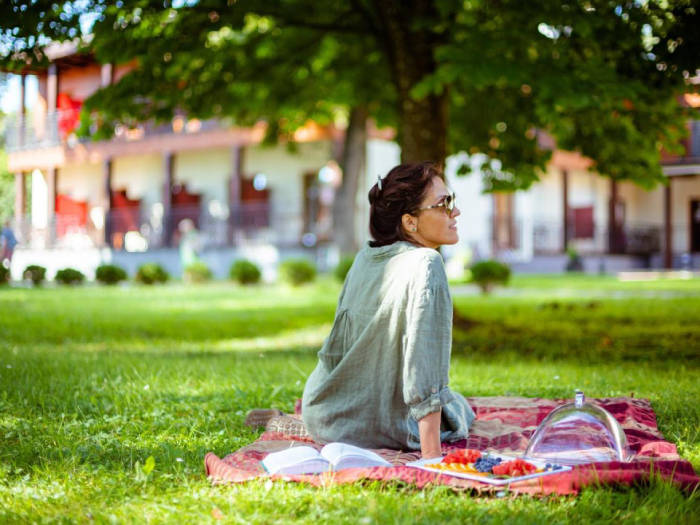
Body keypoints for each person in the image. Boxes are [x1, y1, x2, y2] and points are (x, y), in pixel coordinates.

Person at [302, 162, 475, 459]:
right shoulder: (427, 263)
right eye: (445, 203)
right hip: (381, 427)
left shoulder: (365, 257)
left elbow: (335, 349)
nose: (455, 211)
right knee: (460, 409)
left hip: (323, 417)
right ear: (410, 222)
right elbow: (424, 363)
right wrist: (432, 458)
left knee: (456, 404)